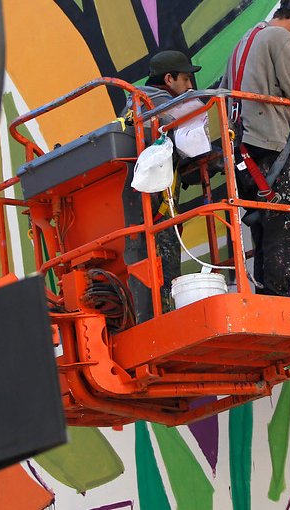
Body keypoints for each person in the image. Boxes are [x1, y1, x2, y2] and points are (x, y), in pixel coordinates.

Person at [219, 0, 290, 296]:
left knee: (262, 221)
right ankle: (276, 295)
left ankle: (265, 294)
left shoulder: (244, 41)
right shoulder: (279, 37)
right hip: (266, 144)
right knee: (281, 214)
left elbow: (227, 91)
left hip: (241, 147)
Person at [122, 50, 208, 322]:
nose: (190, 86)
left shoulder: (137, 105)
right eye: (185, 79)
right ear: (169, 78)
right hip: (154, 210)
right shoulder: (155, 102)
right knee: (165, 270)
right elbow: (190, 117)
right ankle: (166, 320)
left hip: (146, 207)